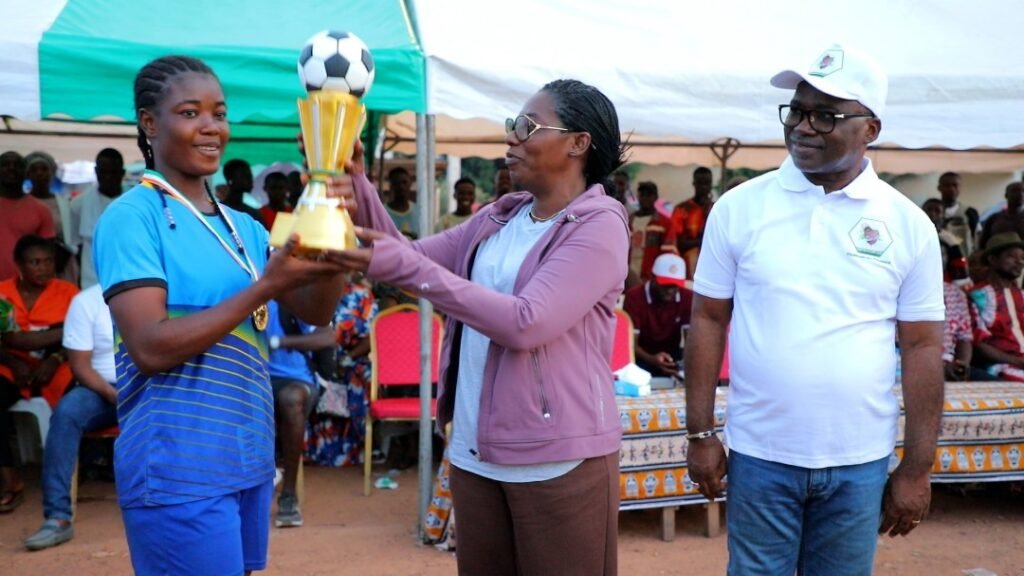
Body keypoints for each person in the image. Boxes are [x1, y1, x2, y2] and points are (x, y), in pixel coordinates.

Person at [333, 78, 628, 576]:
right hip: (475, 452)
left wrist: (403, 268)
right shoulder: (498, 218)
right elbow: (409, 260)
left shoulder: (599, 226)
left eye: (527, 126)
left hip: (555, 462)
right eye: (511, 124)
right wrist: (357, 181)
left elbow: (525, 322)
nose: (511, 137)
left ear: (579, 143)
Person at [685, 44, 945, 575]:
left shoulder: (908, 224)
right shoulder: (740, 208)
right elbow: (709, 319)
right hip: (759, 456)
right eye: (798, 111)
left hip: (860, 461)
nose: (804, 127)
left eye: (826, 115)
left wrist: (917, 468)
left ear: (870, 129)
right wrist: (700, 432)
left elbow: (922, 345)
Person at [93, 55, 347, 576]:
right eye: (190, 113)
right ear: (149, 123)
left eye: (219, 113)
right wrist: (266, 286)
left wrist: (335, 213)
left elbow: (318, 310)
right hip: (177, 468)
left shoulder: (246, 228)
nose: (211, 127)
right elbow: (151, 347)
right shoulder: (131, 219)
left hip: (247, 459)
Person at [24, 284, 118, 550]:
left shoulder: (161, 292)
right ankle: (57, 517)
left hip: (150, 386)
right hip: (100, 388)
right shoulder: (86, 301)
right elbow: (80, 366)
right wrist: (114, 396)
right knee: (66, 413)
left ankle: (190, 504)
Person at [0, 235, 78, 514]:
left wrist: (56, 358)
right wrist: (12, 359)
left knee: (73, 405)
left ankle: (68, 476)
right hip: (10, 368)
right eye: (35, 262)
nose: (43, 268)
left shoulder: (69, 292)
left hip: (57, 368)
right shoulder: (2, 293)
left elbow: (83, 337)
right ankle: (11, 480)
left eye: (48, 261)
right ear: (19, 264)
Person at [266, 299, 333, 527]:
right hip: (254, 377)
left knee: (291, 399)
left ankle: (288, 495)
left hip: (296, 378)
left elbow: (327, 336)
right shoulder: (241, 288)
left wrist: (277, 342)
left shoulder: (294, 295)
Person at [622, 253, 692, 377]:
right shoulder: (635, 297)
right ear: (652, 277)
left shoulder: (687, 297)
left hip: (672, 355)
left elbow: (690, 340)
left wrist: (684, 365)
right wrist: (652, 359)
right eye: (665, 284)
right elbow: (630, 343)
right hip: (641, 355)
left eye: (675, 286)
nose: (670, 290)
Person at [966, 232, 1024, 380]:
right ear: (993, 259)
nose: (1020, 262)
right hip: (999, 367)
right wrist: (1018, 361)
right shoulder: (978, 296)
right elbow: (978, 344)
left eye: (1022, 258)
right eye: (1011, 256)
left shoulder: (1021, 294)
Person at [69, 148, 125, 289]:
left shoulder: (138, 202)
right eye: (103, 172)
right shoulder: (78, 204)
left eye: (113, 172)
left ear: (122, 173)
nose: (108, 177)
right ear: (96, 172)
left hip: (128, 277)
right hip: (91, 280)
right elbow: (76, 245)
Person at [0, 151, 54, 281]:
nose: (11, 168)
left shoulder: (41, 210)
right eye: (5, 164)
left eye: (17, 165)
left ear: (26, 173)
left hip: (25, 288)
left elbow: (47, 254)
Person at [628, 181, 677, 282]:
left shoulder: (664, 223)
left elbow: (668, 253)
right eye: (642, 195)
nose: (645, 198)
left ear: (655, 197)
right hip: (627, 274)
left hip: (650, 276)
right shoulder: (628, 220)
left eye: (649, 195)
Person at [671, 166, 714, 279]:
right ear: (694, 183)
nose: (704, 187)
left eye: (707, 183)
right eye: (700, 183)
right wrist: (702, 241)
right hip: (686, 267)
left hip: (712, 266)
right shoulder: (682, 209)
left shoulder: (716, 209)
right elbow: (678, 243)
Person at [938, 171, 976, 256]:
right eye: (947, 185)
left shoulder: (970, 212)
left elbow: (975, 237)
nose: (951, 189)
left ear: (960, 188)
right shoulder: (932, 210)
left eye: (955, 185)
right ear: (939, 188)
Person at [978, 182, 1024, 251]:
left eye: (1023, 191)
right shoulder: (994, 219)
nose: (1020, 194)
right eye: (1015, 191)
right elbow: (983, 245)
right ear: (1006, 195)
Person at [222, 158, 267, 227]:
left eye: (250, 176)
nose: (250, 180)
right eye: (245, 176)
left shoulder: (254, 213)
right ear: (230, 179)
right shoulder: (219, 211)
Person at [384, 167, 420, 239]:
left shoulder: (419, 212)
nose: (401, 187)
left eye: (404, 182)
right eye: (396, 183)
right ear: (391, 187)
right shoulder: (383, 212)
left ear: (410, 183)